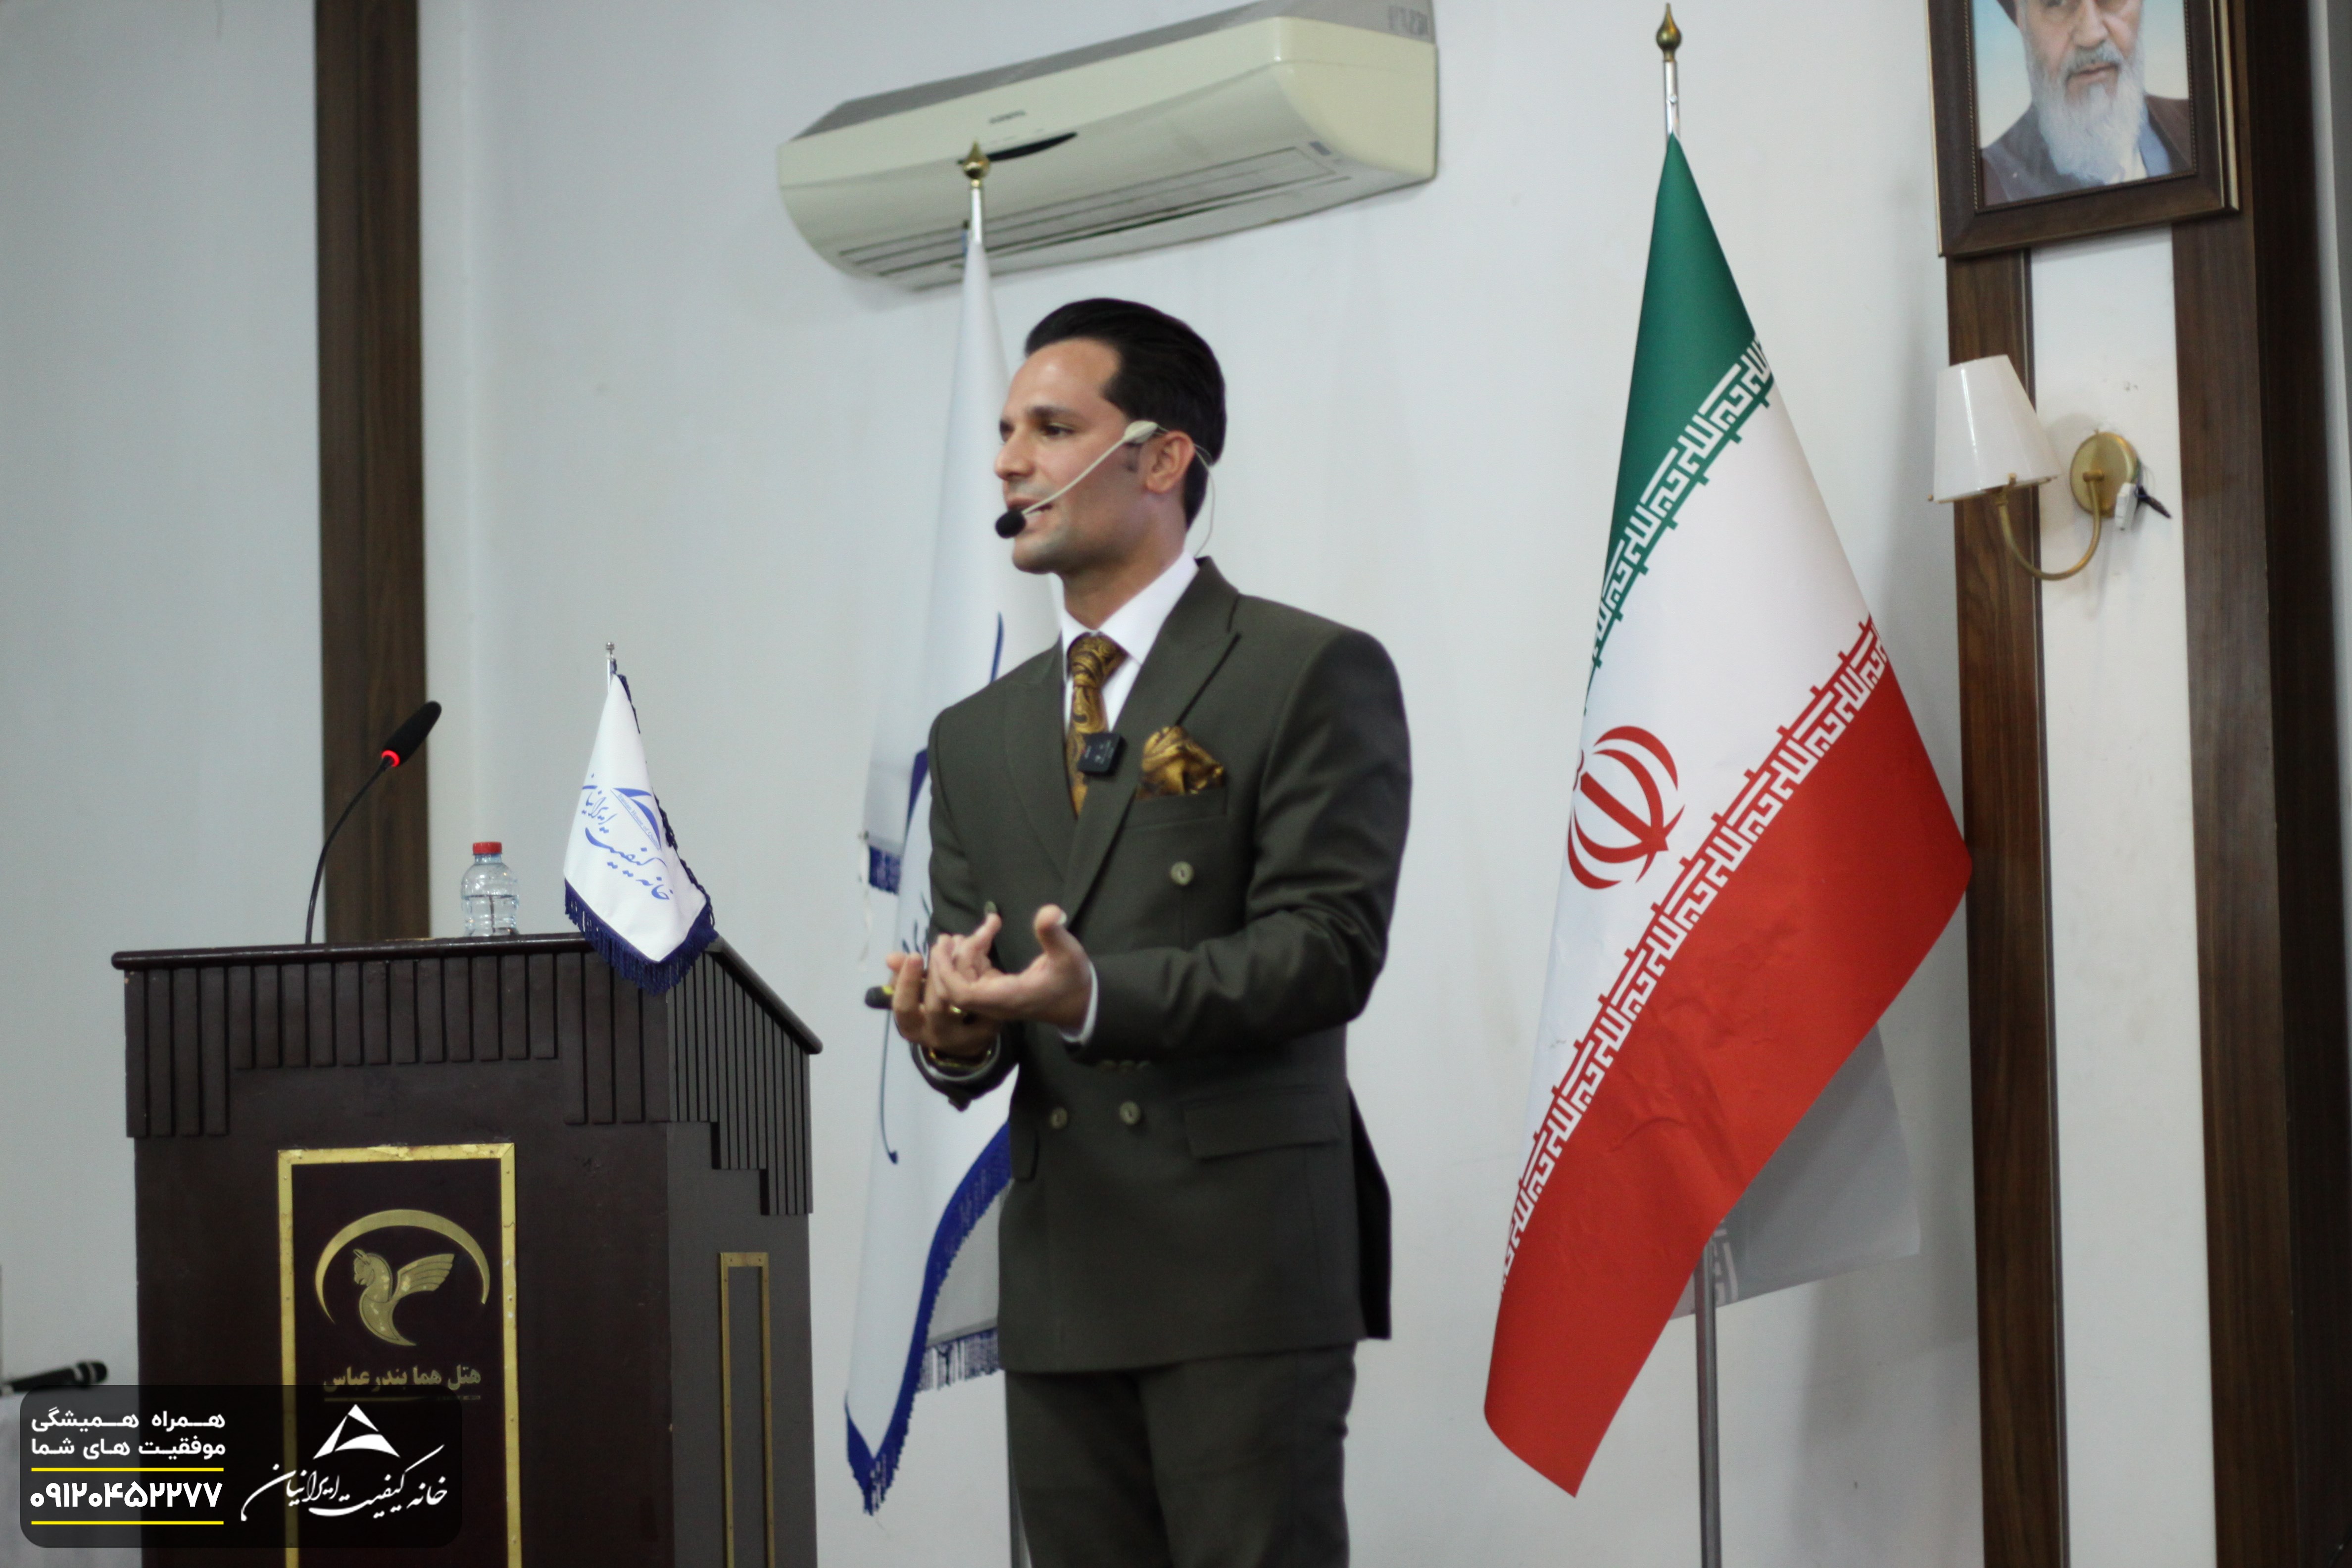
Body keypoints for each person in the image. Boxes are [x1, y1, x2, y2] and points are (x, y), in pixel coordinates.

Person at [882, 297, 1410, 1568]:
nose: (1009, 462)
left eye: (1051, 429)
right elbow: (976, 981)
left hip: (1241, 1269)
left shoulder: (1303, 669)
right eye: (1005, 432)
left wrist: (1089, 997)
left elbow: (1326, 949)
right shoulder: (975, 736)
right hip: (1066, 1274)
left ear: (1163, 457)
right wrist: (951, 1026)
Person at [1980, 0, 2191, 203]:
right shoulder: (1988, 182)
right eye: (2057, 2)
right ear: (2021, 16)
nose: (2091, 35)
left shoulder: (2199, 128)